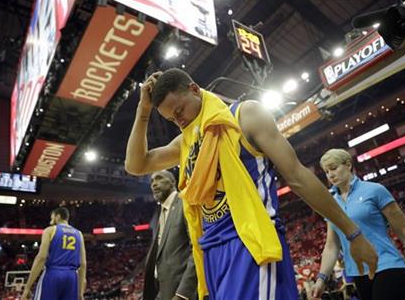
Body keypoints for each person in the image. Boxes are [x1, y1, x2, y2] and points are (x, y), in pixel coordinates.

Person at [125, 68, 378, 300]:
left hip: (250, 243)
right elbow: (136, 164)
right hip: (211, 253)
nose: (178, 121)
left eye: (179, 111)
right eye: (171, 119)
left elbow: (298, 177)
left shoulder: (245, 115)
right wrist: (142, 112)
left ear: (193, 89)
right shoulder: (187, 141)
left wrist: (352, 233)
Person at [312, 149, 405, 300]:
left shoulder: (375, 190)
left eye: (334, 168)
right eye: (326, 171)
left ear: (348, 165)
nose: (330, 175)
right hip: (359, 276)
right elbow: (331, 246)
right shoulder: (330, 203)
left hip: (388, 267)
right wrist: (321, 279)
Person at [143, 170, 197, 300]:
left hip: (181, 292)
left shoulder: (185, 203)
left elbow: (196, 249)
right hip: (161, 289)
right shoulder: (159, 213)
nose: (154, 184)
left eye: (159, 178)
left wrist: (183, 294)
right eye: (152, 181)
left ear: (173, 182)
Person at [21, 207, 86, 300]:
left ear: (58, 216)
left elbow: (41, 257)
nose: (50, 220)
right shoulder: (79, 234)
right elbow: (83, 264)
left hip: (53, 274)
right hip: (72, 277)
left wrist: (27, 288)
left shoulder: (50, 230)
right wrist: (80, 292)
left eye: (52, 218)